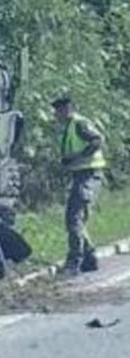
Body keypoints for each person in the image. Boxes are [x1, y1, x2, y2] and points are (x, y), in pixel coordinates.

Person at [51, 96, 107, 277]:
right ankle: (89, 259)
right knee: (76, 219)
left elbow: (97, 140)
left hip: (88, 175)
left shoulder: (79, 124)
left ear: (67, 109)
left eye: (58, 110)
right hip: (81, 175)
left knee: (73, 218)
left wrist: (77, 157)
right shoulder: (70, 126)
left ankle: (74, 263)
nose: (55, 114)